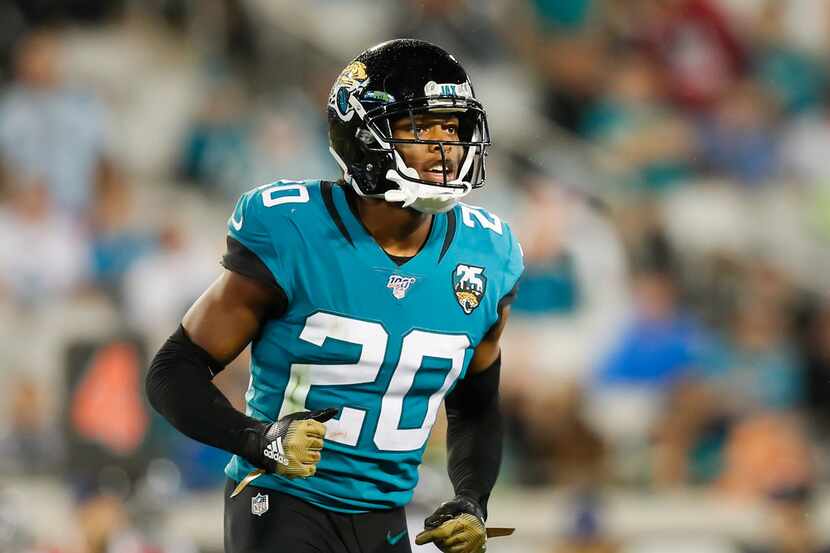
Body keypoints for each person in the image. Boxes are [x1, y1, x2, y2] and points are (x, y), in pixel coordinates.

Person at [146, 39, 523, 553]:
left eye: (452, 129)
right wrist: (258, 439)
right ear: (364, 136)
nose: (444, 149)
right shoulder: (293, 229)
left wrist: (472, 499)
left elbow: (477, 407)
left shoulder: (488, 254)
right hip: (284, 500)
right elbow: (173, 370)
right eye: (420, 129)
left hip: (386, 515)